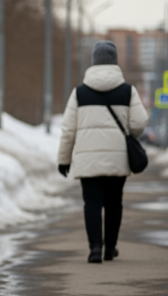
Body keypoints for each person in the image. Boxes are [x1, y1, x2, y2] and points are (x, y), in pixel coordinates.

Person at [57, 40, 149, 264]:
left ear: (94, 62)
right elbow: (139, 124)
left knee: (92, 202)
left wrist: (64, 160)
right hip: (118, 158)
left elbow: (68, 130)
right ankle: (110, 248)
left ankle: (95, 249)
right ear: (115, 62)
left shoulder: (79, 93)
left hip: (88, 160)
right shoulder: (128, 91)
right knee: (114, 202)